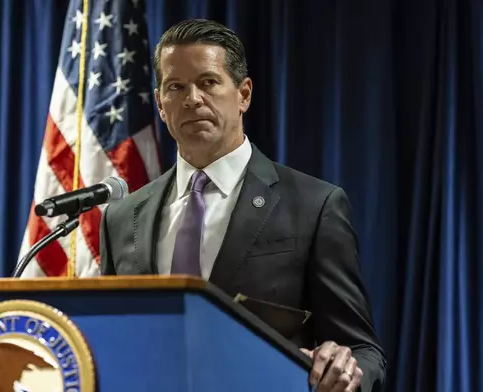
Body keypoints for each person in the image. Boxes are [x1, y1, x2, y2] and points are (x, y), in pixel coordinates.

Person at [99, 19, 386, 392]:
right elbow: (110, 342)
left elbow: (362, 350)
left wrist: (346, 373)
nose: (192, 99)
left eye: (208, 82)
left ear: (244, 94)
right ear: (160, 104)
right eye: (176, 87)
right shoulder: (121, 217)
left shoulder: (315, 206)